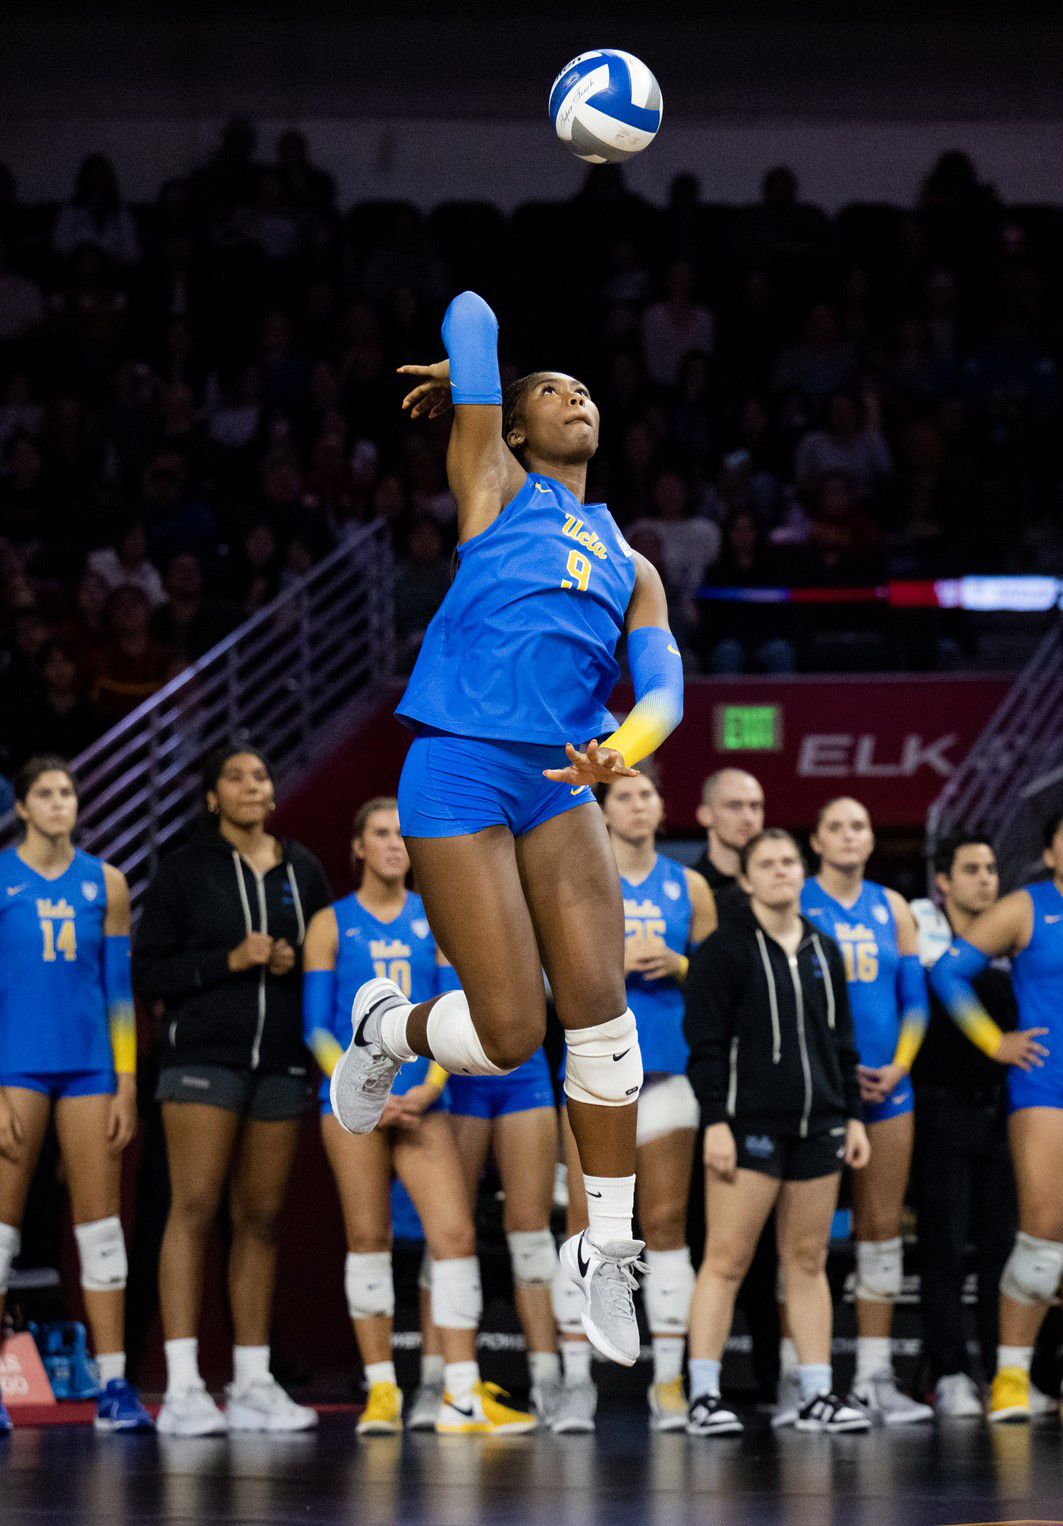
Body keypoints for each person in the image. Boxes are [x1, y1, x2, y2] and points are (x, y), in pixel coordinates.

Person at [327, 290, 685, 1371]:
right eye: (549, 393)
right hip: (456, 767)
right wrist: (470, 382)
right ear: (515, 428)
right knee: (513, 1033)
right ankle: (387, 1027)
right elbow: (476, 308)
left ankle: (605, 1249)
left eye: (583, 391)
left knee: (601, 1018)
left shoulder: (635, 563)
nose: (574, 397)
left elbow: (664, 690)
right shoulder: (492, 483)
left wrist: (621, 749)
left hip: (561, 778)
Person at [303, 798, 534, 1436]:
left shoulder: (434, 918)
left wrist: (428, 1089)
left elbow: (455, 1008)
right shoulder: (330, 923)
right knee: (369, 1238)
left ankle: (461, 1394)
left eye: (400, 834)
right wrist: (362, 1091)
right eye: (379, 833)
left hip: (424, 1100)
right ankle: (382, 1390)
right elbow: (315, 1027)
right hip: (350, 1106)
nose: (394, 845)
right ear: (357, 847)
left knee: (455, 1236)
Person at [132, 745, 331, 1436]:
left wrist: (291, 958)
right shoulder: (185, 870)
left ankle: (252, 1381)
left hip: (279, 1060)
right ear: (212, 796)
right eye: (237, 778)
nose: (254, 786)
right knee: (191, 1208)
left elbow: (327, 957)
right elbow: (151, 969)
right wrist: (230, 959)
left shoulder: (302, 867)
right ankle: (184, 1386)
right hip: (203, 1058)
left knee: (262, 1220)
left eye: (261, 776)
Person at [684, 829, 871, 1435]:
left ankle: (818, 1394)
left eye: (789, 861)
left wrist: (852, 1118)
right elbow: (705, 1048)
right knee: (727, 1260)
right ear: (747, 878)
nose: (781, 872)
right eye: (767, 863)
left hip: (820, 1125)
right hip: (748, 1126)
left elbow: (842, 1043)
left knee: (809, 1260)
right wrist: (715, 1121)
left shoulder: (824, 948)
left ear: (802, 868)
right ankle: (704, 1395)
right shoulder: (723, 949)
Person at [557, 766, 716, 1432]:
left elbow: (722, 981)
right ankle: (573, 1386)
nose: (638, 804)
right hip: (596, 1077)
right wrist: (605, 966)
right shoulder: (575, 876)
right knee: (584, 1228)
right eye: (623, 795)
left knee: (666, 1225)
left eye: (647, 793)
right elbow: (541, 976)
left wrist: (679, 965)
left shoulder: (692, 886)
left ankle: (669, 1383)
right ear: (603, 810)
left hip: (668, 1072)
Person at [0, 756, 152, 1433]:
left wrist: (125, 1081)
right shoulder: (1, 877)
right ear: (23, 808)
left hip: (91, 1069)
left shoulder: (107, 883)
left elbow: (119, 992)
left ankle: (115, 1383)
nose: (61, 803)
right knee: (0, 1232)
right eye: (47, 794)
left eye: (68, 792)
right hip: (16, 1070)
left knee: (100, 1230)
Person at [800, 798, 934, 1424]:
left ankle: (877, 1376)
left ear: (872, 839)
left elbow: (915, 1000)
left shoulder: (894, 906)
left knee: (881, 1230)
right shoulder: (797, 899)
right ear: (818, 841)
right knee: (805, 1240)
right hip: (821, 1087)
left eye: (860, 825)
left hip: (890, 1089)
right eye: (837, 826)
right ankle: (803, 1380)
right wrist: (835, 1066)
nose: (850, 834)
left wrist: (902, 1064)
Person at [930, 810, 1063, 1424]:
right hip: (1044, 1086)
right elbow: (950, 972)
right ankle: (1010, 1379)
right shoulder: (1027, 907)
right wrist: (994, 1041)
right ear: (1051, 853)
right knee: (1041, 1239)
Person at [909, 835, 1020, 1416]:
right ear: (943, 882)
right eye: (971, 869)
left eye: (992, 868)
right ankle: (950, 1371)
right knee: (944, 1247)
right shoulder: (925, 942)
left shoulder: (1015, 946)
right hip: (939, 1107)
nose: (986, 878)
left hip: (1002, 1112)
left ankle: (1006, 1371)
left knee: (1002, 1249)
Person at [693, 770, 765, 922]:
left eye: (755, 806)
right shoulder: (687, 885)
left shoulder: (777, 883)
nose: (748, 818)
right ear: (705, 815)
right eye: (734, 806)